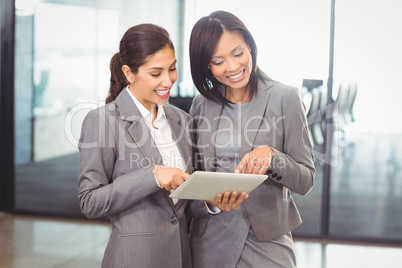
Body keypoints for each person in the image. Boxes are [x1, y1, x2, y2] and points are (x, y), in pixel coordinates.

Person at [188, 10, 316, 268]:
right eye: (219, 61)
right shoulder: (202, 104)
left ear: (250, 48)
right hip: (210, 242)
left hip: (267, 242)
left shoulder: (285, 97)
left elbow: (306, 180)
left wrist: (272, 157)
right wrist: (209, 203)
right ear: (207, 66)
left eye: (238, 53)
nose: (233, 67)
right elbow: (190, 178)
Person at [78, 24, 193, 268]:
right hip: (134, 259)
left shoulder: (180, 119)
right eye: (156, 73)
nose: (168, 80)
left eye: (172, 69)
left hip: (182, 257)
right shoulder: (103, 121)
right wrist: (152, 176)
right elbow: (90, 200)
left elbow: (184, 200)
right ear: (129, 73)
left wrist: (213, 202)